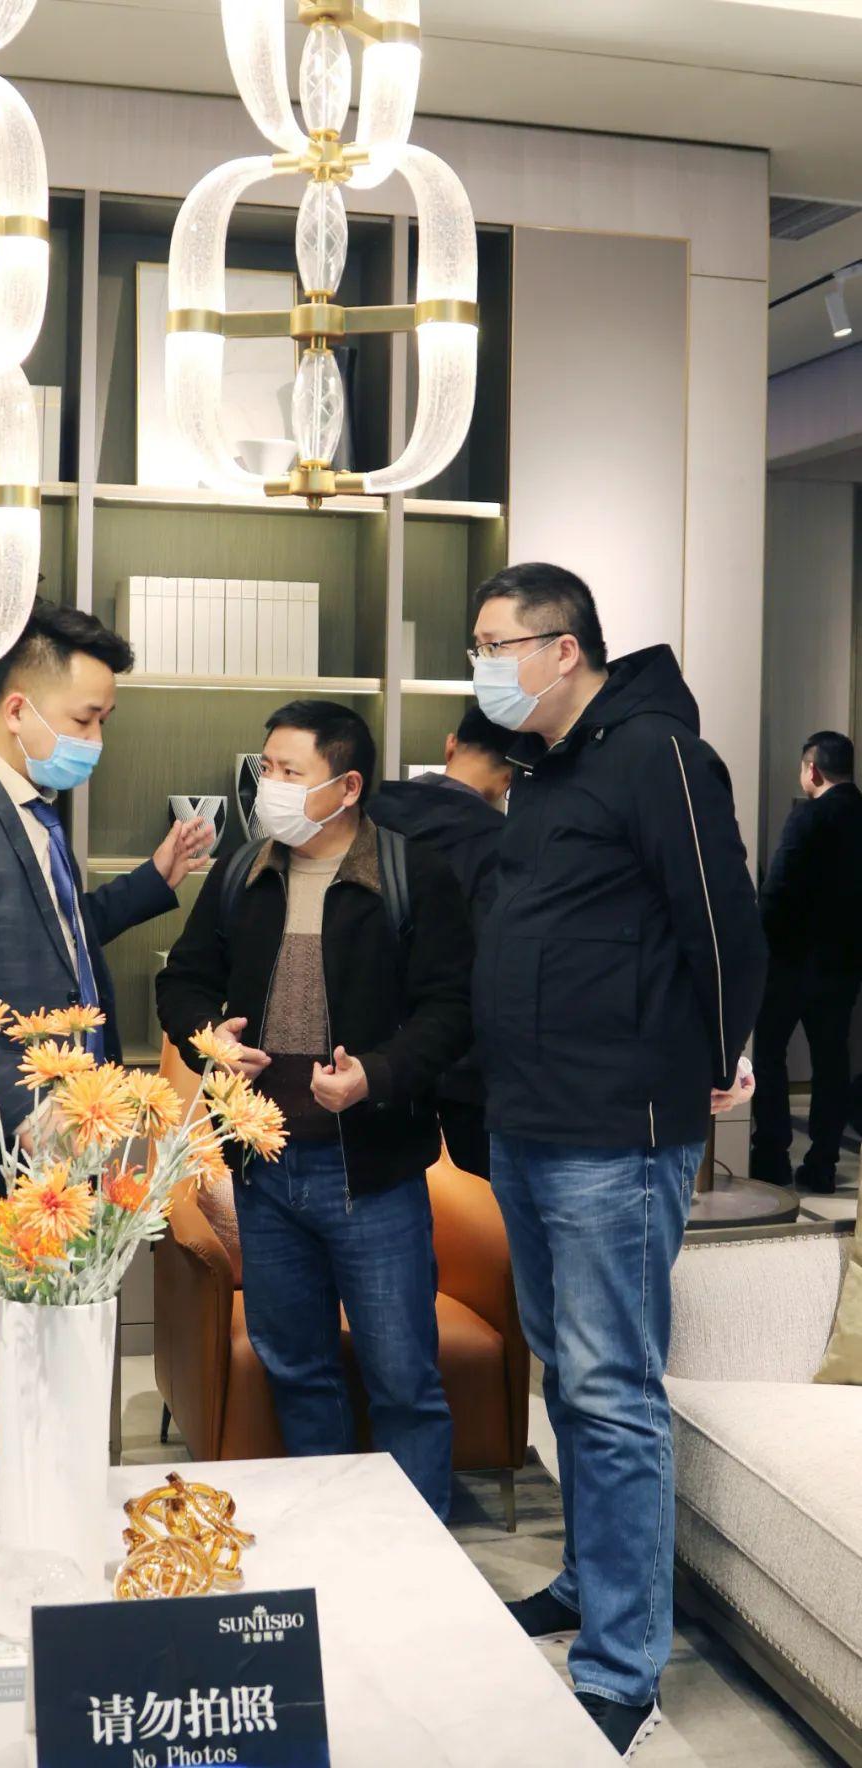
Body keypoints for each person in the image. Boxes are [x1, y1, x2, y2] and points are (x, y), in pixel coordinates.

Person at [470, 564, 765, 1759]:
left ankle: (624, 1664)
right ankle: (591, 1584)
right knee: (567, 1374)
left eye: (498, 644)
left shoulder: (658, 754)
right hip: (530, 1120)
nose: (484, 666)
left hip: (615, 1131)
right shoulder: (546, 769)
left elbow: (724, 921)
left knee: (612, 1390)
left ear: (565, 647)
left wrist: (720, 1053)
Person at [0, 599, 210, 1473]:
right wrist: (21, 1105)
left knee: (52, 1369)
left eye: (104, 721)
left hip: (65, 1144)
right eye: (84, 719)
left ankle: (43, 1524)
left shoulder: (32, 808)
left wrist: (153, 880)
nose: (95, 739)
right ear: (18, 708)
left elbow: (53, 939)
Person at [156, 699, 473, 1520]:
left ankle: (413, 1557)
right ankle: (329, 1541)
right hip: (264, 1170)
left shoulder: (412, 874)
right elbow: (182, 980)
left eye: (290, 772)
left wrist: (377, 1074)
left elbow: (451, 1009)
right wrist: (208, 1039)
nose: (270, 785)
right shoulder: (244, 872)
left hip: (370, 1173)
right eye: (266, 768)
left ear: (347, 787)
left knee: (403, 1381)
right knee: (297, 1370)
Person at [370, 704, 512, 1177]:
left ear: (450, 745)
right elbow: (492, 965)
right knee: (473, 1214)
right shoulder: (502, 846)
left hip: (364, 1062)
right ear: (510, 777)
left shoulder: (366, 814)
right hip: (460, 1075)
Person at [750, 731, 862, 1193]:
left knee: (769, 1054)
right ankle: (823, 1163)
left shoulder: (808, 817)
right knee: (832, 1060)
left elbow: (777, 891)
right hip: (843, 965)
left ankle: (772, 1156)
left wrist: (758, 943)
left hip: (790, 961)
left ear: (812, 770)